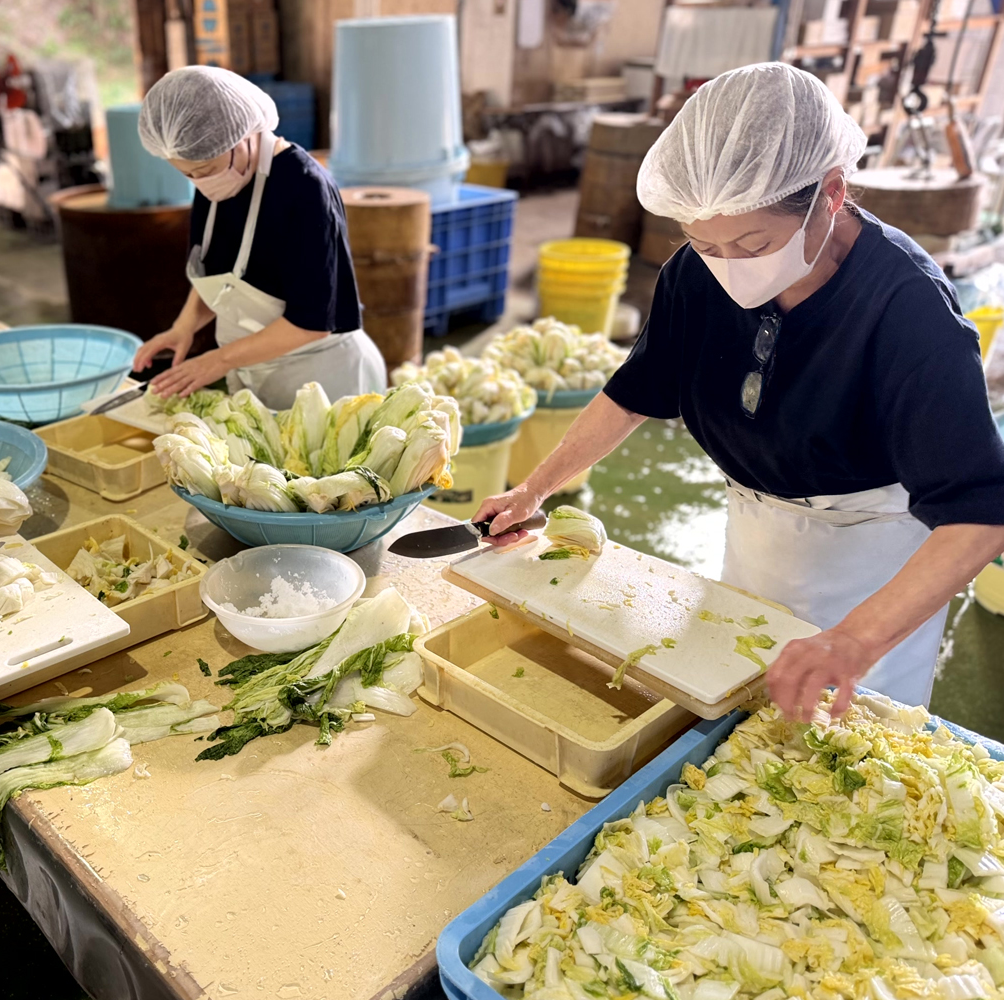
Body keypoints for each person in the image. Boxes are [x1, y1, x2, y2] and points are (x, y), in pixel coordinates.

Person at [474, 63, 1004, 722]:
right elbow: (636, 390)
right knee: (745, 709)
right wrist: (535, 488)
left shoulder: (907, 309)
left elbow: (979, 513)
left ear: (831, 194)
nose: (729, 265)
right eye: (704, 242)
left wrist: (855, 638)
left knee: (854, 743)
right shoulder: (698, 275)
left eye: (755, 242)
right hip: (755, 531)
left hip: (869, 558)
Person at [131, 66, 387, 409]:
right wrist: (184, 327)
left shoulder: (304, 187)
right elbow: (221, 277)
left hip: (326, 381)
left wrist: (217, 361)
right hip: (256, 373)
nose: (200, 182)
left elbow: (312, 322)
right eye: (188, 174)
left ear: (240, 134)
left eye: (204, 171)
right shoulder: (217, 180)